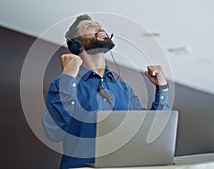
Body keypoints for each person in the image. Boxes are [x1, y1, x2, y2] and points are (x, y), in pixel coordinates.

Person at [42, 14, 170, 169]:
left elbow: (149, 131)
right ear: (77, 44)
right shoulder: (63, 84)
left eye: (99, 25)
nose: (100, 27)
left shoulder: (124, 89)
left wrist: (162, 88)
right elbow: (54, 133)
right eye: (90, 27)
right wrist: (68, 77)